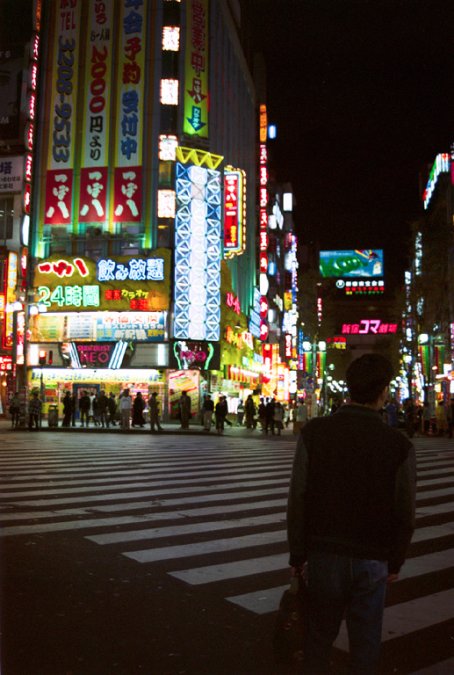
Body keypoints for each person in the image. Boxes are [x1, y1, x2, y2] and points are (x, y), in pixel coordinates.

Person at [287, 353, 416, 675]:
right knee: (366, 641)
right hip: (373, 557)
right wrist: (395, 558)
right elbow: (405, 509)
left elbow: (298, 497)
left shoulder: (315, 433)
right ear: (383, 392)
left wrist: (298, 554)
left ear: (348, 388)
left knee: (318, 638)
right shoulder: (398, 444)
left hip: (324, 552)